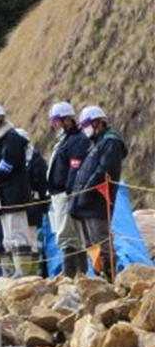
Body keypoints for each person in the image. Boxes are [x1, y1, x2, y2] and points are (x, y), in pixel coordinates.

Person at [69, 106, 128, 279]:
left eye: (87, 123)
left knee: (102, 243)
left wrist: (86, 189)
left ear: (98, 123)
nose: (85, 128)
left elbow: (104, 170)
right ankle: (99, 278)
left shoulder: (110, 142)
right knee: (91, 245)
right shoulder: (96, 144)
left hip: (98, 201)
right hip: (86, 202)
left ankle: (111, 279)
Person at [0, 102, 33, 277]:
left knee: (18, 232)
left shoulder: (12, 138)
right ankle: (11, 270)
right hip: (1, 195)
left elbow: (7, 164)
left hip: (14, 194)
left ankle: (23, 270)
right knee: (7, 235)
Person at [46, 101, 92, 277]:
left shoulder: (77, 140)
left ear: (67, 120)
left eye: (57, 120)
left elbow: (75, 166)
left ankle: (72, 274)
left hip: (66, 193)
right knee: (68, 234)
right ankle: (78, 273)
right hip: (58, 193)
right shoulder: (65, 139)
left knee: (67, 235)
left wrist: (69, 190)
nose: (54, 124)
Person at [16, 128, 49, 276]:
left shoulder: (36, 161)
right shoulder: (15, 161)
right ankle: (22, 270)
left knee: (32, 239)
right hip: (18, 206)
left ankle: (35, 271)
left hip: (33, 205)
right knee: (18, 239)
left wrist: (43, 204)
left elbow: (42, 184)